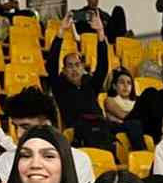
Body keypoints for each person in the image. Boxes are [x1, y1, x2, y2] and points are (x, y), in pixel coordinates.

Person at [0, 87, 96, 183]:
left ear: (47, 125)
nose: (19, 134)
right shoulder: (6, 160)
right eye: (15, 127)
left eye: (26, 127)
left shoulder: (79, 159)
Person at [44, 14, 112, 144]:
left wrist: (100, 32)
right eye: (69, 66)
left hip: (100, 125)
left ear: (82, 67)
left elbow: (103, 66)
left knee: (133, 124)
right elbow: (51, 64)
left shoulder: (91, 84)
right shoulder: (60, 86)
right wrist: (61, 31)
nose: (74, 69)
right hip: (79, 131)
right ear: (64, 70)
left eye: (77, 65)